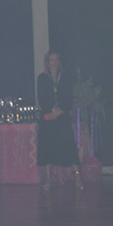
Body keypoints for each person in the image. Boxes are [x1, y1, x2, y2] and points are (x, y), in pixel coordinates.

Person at [37, 50, 83, 191]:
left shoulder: (66, 77)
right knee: (48, 147)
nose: (54, 62)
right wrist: (51, 111)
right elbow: (41, 98)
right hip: (48, 117)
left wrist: (60, 111)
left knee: (69, 146)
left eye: (56, 59)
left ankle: (78, 178)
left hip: (62, 116)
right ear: (47, 62)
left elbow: (69, 98)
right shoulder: (42, 78)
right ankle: (48, 180)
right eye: (51, 60)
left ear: (59, 61)